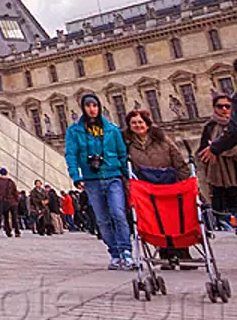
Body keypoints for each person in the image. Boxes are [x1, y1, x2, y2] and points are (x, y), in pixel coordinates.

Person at [64, 93, 132, 270]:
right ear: (83, 108)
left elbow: (122, 153)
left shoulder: (112, 129)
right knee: (102, 219)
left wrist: (128, 176)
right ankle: (114, 252)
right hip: (91, 179)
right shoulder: (74, 131)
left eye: (95, 105)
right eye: (88, 106)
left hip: (113, 176)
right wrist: (75, 176)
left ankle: (126, 251)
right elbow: (70, 154)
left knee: (118, 214)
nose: (92, 109)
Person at [123, 108, 193, 266]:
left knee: (175, 220)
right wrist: (131, 189)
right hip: (147, 190)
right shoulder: (128, 146)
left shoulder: (163, 140)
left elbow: (179, 161)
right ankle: (164, 253)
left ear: (147, 124)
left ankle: (183, 252)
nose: (137, 125)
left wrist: (183, 183)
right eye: (133, 123)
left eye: (140, 122)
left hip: (170, 187)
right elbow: (128, 170)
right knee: (156, 222)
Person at [198, 94, 237, 229]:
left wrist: (218, 148)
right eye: (220, 106)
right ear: (214, 108)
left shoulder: (233, 125)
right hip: (217, 174)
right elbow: (203, 151)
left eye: (227, 106)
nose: (224, 109)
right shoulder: (209, 126)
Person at [0, 168, 20, 237]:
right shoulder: (10, 181)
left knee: (5, 217)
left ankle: (8, 232)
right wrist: (16, 200)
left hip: (3, 202)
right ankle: (17, 231)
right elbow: (15, 192)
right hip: (12, 201)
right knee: (14, 217)